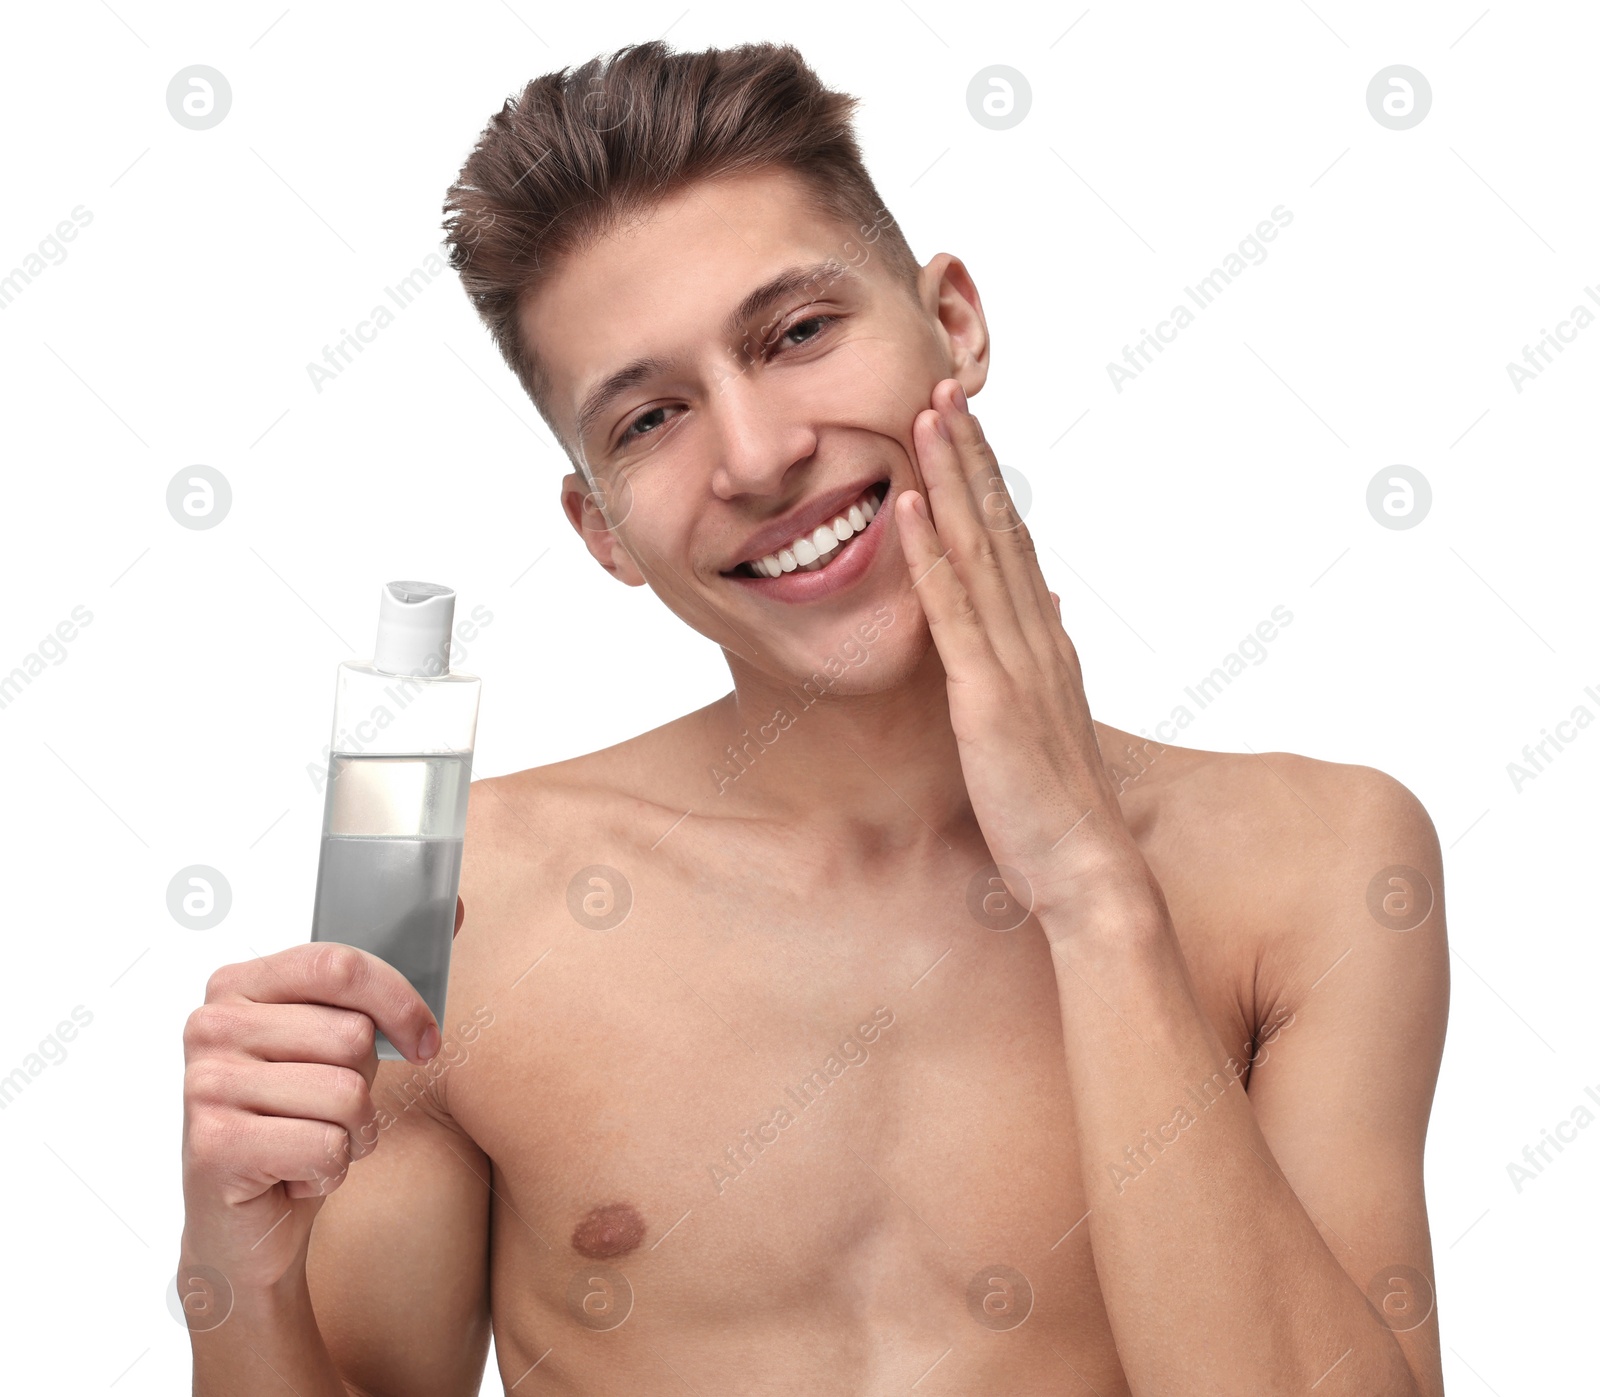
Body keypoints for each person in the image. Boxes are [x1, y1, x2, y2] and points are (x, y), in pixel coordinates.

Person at [179, 39, 1449, 1396]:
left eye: (796, 334)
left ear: (952, 319)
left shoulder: (1320, 862)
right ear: (599, 527)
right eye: (651, 416)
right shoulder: (445, 889)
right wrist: (235, 1282)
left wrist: (1091, 886)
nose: (758, 454)